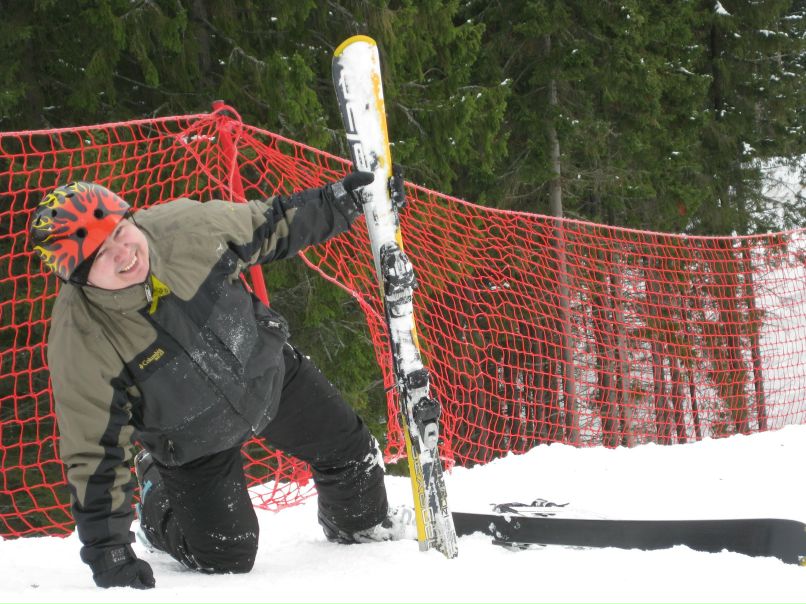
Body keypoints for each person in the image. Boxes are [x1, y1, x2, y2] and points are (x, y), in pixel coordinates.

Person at [29, 174, 412, 590]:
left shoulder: (184, 227)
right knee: (228, 556)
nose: (125, 253)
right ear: (78, 276)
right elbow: (93, 453)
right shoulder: (81, 342)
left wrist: (341, 203)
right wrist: (110, 553)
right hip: (189, 439)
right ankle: (155, 492)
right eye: (103, 253)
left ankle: (358, 531)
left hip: (265, 373)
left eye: (122, 231)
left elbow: (270, 224)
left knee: (352, 454)